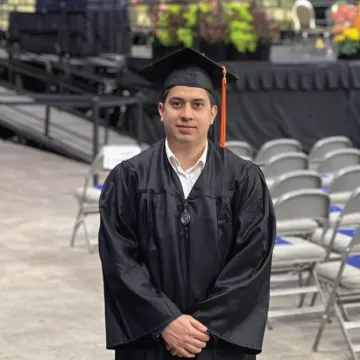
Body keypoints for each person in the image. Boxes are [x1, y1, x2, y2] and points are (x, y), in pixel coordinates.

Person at [98, 47, 276, 360]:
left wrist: (199, 327)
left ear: (213, 113)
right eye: (177, 103)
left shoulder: (244, 179)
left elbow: (251, 262)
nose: (186, 114)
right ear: (161, 110)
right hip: (150, 341)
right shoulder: (129, 178)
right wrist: (165, 321)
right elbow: (119, 261)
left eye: (197, 104)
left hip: (216, 343)